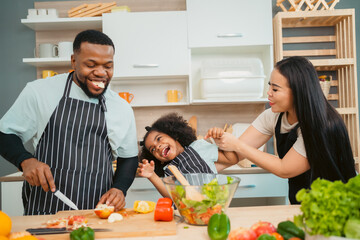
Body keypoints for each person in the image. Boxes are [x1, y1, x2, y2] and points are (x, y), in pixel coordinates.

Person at [0, 30, 139, 215]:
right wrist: (25, 160)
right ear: (74, 61)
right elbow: (5, 133)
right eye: (91, 65)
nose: (100, 73)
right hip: (45, 207)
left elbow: (128, 157)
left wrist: (120, 188)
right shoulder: (39, 91)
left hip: (97, 210)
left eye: (108, 66)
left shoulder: (121, 108)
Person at [205, 56, 357, 204]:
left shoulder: (321, 125)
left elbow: (285, 169)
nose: (269, 93)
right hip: (302, 204)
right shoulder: (274, 115)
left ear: (298, 92)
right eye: (269, 86)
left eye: (275, 89)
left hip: (336, 205)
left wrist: (237, 144)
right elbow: (234, 155)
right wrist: (199, 170)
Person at [137, 112, 239, 197]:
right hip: (185, 213)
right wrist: (152, 176)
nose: (158, 147)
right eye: (153, 149)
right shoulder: (169, 170)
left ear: (173, 135)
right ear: (160, 160)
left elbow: (232, 159)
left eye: (159, 139)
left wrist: (220, 140)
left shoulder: (199, 147)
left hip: (212, 206)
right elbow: (171, 196)